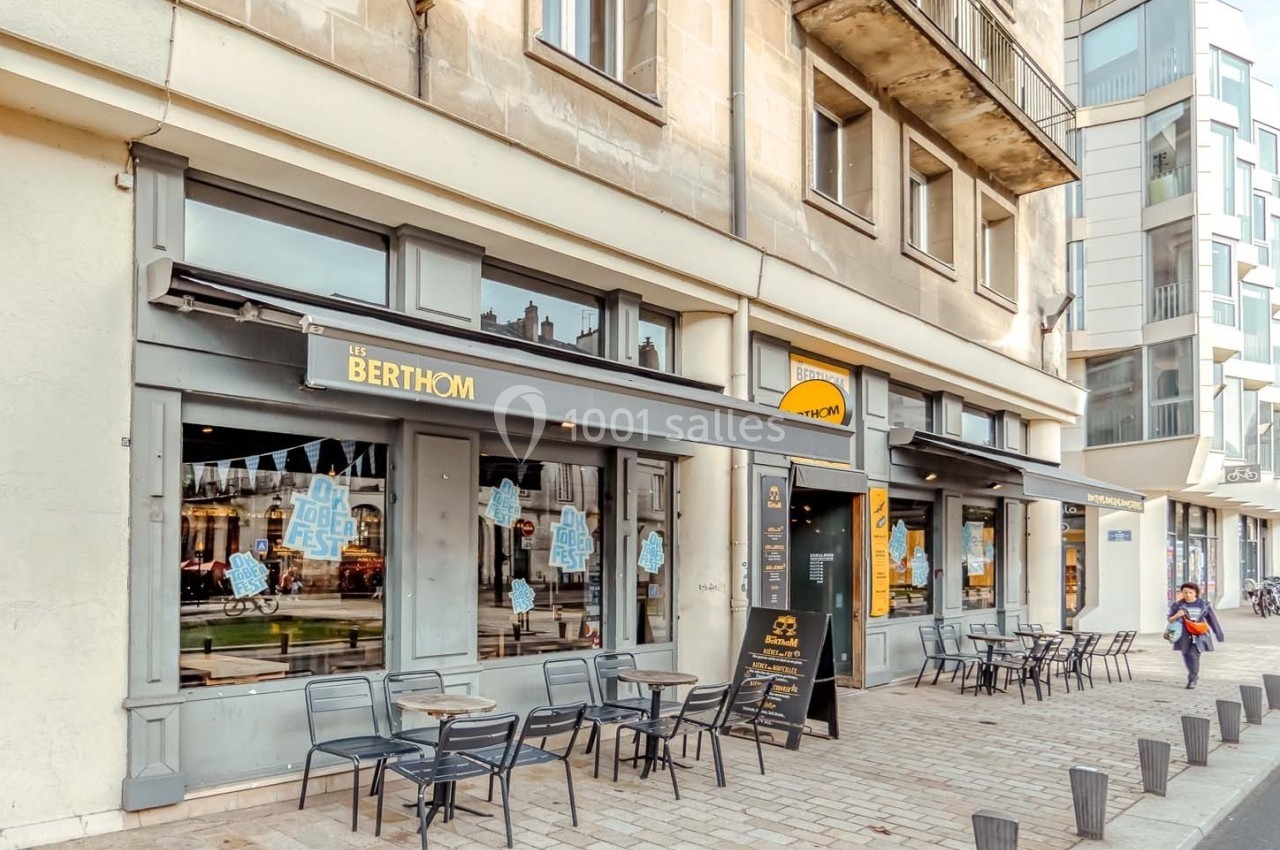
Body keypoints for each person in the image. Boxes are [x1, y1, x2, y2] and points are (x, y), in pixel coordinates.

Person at [1167, 582, 1224, 689]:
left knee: (1194, 654)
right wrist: (1177, 615)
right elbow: (1170, 619)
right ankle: (1192, 674)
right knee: (1186, 655)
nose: (1187, 595)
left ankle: (1192, 678)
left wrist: (1219, 634)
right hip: (1184, 635)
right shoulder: (1178, 605)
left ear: (1196, 593)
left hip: (1198, 634)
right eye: (1185, 592)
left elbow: (1212, 620)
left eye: (1190, 592)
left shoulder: (1203, 604)